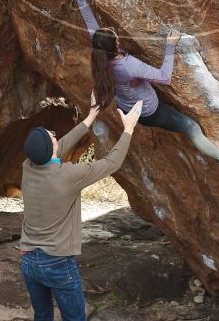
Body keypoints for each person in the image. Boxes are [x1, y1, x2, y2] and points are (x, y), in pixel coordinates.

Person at [65, 0, 219, 172]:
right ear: (116, 44)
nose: (113, 30)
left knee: (185, 123)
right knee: (192, 128)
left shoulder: (100, 53)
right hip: (150, 111)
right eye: (113, 34)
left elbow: (87, 16)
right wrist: (170, 45)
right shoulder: (128, 66)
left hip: (129, 106)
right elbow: (164, 78)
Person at [20, 94, 144, 321]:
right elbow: (111, 163)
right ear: (51, 149)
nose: (57, 138)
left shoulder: (28, 166)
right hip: (57, 263)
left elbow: (57, 148)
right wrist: (128, 129)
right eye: (53, 136)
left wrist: (91, 117)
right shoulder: (68, 176)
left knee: (42, 315)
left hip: (28, 261)